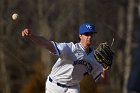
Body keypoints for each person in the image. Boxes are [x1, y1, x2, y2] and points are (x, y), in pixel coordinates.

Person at [21, 22, 107, 93]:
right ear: (80, 36)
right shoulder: (70, 49)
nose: (89, 36)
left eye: (91, 34)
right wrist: (31, 36)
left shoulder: (94, 57)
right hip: (54, 86)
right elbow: (47, 43)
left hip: (73, 88)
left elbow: (102, 77)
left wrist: (105, 68)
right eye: (86, 34)